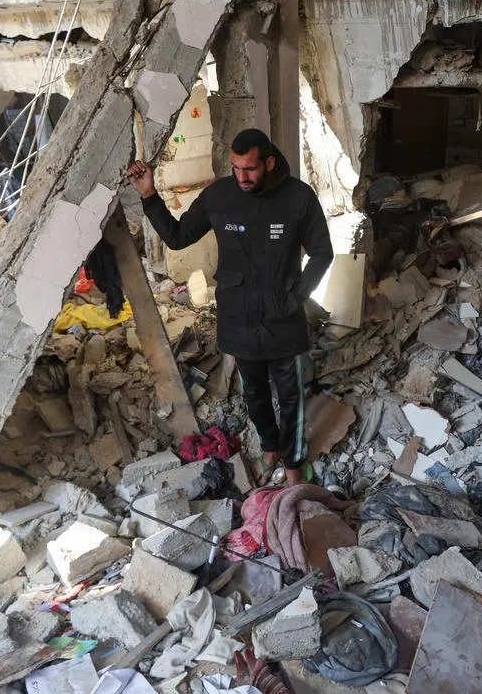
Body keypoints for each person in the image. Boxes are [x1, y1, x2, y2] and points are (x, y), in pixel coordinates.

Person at [127, 129, 333, 485]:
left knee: (291, 398)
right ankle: (270, 448)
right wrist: (149, 195)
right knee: (254, 392)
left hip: (283, 320)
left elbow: (321, 253)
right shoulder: (220, 195)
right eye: (236, 168)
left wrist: (295, 297)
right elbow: (177, 237)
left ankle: (296, 468)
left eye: (250, 169)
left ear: (269, 163)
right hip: (238, 318)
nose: (242, 177)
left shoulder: (298, 198)